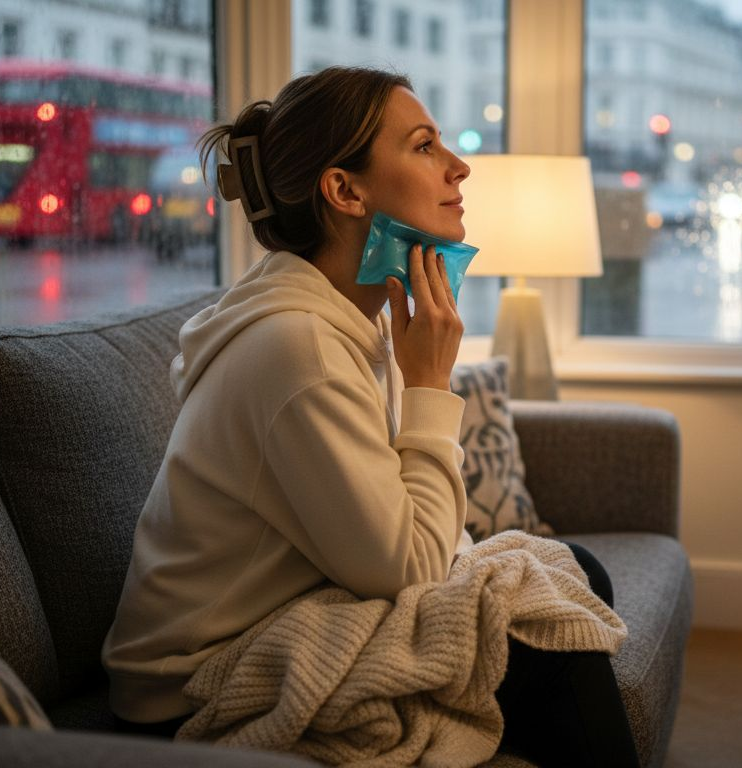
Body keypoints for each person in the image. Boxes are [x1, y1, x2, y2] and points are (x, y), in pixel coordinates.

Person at [101, 66, 639, 767]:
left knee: (576, 575)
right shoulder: (300, 349)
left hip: (306, 604)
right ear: (345, 190)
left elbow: (400, 540)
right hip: (195, 681)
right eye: (423, 147)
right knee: (548, 632)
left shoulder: (350, 317)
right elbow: (410, 568)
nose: (459, 167)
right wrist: (430, 383)